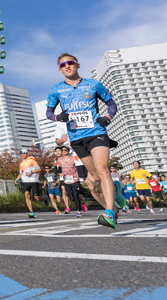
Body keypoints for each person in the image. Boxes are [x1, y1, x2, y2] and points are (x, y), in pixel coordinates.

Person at [46, 53, 124, 228]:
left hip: (96, 132)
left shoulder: (93, 84)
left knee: (102, 169)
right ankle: (114, 202)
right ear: (59, 69)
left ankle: (109, 212)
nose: (67, 66)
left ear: (77, 65)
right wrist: (59, 117)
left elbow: (112, 104)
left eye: (70, 63)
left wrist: (108, 117)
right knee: (93, 181)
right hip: (76, 139)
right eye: (62, 64)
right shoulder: (56, 89)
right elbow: (49, 113)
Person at [15, 148, 45, 218]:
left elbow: (39, 169)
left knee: (37, 198)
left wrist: (31, 172)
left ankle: (45, 198)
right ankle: (31, 212)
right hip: (25, 181)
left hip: (34, 180)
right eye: (21, 153)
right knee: (27, 194)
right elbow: (21, 173)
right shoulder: (21, 163)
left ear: (27, 154)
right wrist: (16, 179)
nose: (22, 154)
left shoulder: (32, 161)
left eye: (23, 153)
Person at [57, 147, 84, 218]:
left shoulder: (73, 158)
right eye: (62, 150)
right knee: (72, 198)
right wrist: (60, 173)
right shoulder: (60, 159)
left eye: (65, 150)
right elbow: (59, 168)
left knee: (75, 195)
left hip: (75, 178)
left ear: (68, 151)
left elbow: (78, 166)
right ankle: (80, 198)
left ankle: (78, 211)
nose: (64, 151)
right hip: (67, 179)